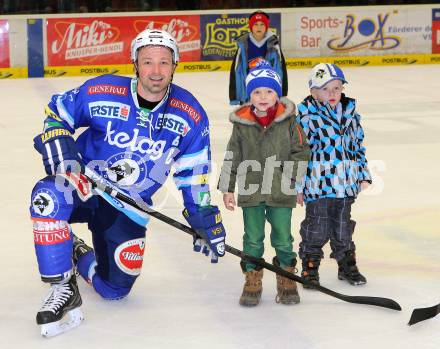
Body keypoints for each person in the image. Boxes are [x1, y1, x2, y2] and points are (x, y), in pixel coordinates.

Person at [30, 29, 226, 337]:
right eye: (148, 62)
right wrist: (63, 153)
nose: (156, 71)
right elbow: (57, 112)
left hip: (128, 205)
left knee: (114, 290)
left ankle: (77, 252)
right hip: (84, 185)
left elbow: (193, 174)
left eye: (164, 62)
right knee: (47, 198)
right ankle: (61, 287)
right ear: (134, 63)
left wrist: (203, 216)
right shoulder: (102, 90)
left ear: (175, 64)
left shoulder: (191, 115)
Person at [219, 60, 310, 306]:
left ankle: (286, 276)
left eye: (269, 91)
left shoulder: (289, 121)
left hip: (281, 189)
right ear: (249, 95)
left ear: (277, 94)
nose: (263, 96)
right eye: (257, 91)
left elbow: (301, 152)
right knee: (253, 237)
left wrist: (293, 180)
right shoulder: (241, 124)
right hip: (251, 188)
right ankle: (253, 276)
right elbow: (232, 155)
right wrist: (227, 187)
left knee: (282, 237)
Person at [295, 63, 372, 289]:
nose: (332, 94)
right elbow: (299, 152)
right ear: (313, 92)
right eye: (325, 89)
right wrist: (297, 186)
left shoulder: (351, 114)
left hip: (346, 185)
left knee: (343, 227)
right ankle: (310, 266)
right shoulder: (307, 117)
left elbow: (358, 147)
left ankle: (345, 263)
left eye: (337, 88)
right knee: (316, 227)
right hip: (318, 185)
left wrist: (363, 174)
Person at [229, 10, 288, 105]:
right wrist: (235, 97)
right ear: (251, 26)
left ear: (266, 27)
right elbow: (236, 72)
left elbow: (281, 71)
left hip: (269, 94)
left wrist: (282, 94)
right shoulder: (243, 44)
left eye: (262, 24)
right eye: (256, 24)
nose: (259, 27)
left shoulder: (274, 45)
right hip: (249, 94)